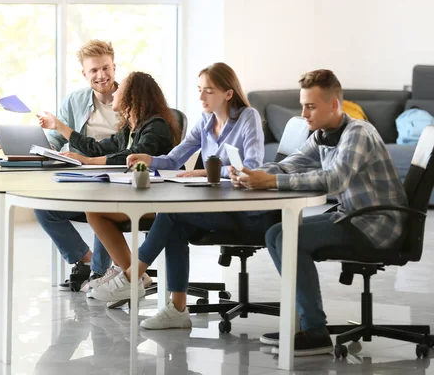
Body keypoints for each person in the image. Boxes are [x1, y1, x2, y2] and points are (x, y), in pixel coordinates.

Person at [231, 69, 407, 356]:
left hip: (376, 222)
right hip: (353, 214)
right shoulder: (323, 134)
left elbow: (336, 179)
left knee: (288, 238)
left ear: (334, 105)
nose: (304, 113)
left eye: (310, 106)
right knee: (276, 233)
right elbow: (291, 164)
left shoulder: (358, 133)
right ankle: (306, 323)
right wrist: (250, 174)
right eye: (303, 105)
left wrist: (272, 182)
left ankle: (315, 331)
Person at [88, 63, 273, 315]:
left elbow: (252, 167)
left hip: (241, 207)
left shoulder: (246, 117)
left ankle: (132, 277)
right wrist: (150, 159)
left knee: (172, 213)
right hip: (213, 204)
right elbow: (175, 159)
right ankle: (176, 310)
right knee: (174, 219)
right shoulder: (206, 121)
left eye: (208, 91)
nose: (201, 97)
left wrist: (208, 172)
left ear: (228, 94)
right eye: (199, 90)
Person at [37, 71, 181, 291]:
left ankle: (128, 274)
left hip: (156, 201)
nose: (115, 91)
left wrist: (87, 161)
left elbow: (132, 156)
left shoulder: (156, 126)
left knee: (99, 207)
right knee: (66, 208)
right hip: (134, 195)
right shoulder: (130, 128)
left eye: (120, 88)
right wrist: (60, 127)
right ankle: (132, 273)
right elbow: (97, 148)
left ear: (133, 96)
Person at [34, 40, 121, 291]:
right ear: (85, 74)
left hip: (115, 179)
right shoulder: (75, 100)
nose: (101, 75)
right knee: (44, 209)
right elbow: (56, 139)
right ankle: (85, 259)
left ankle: (99, 274)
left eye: (105, 68)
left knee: (101, 205)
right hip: (80, 179)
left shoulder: (129, 99)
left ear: (114, 67)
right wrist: (43, 149)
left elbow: (132, 145)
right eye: (93, 70)